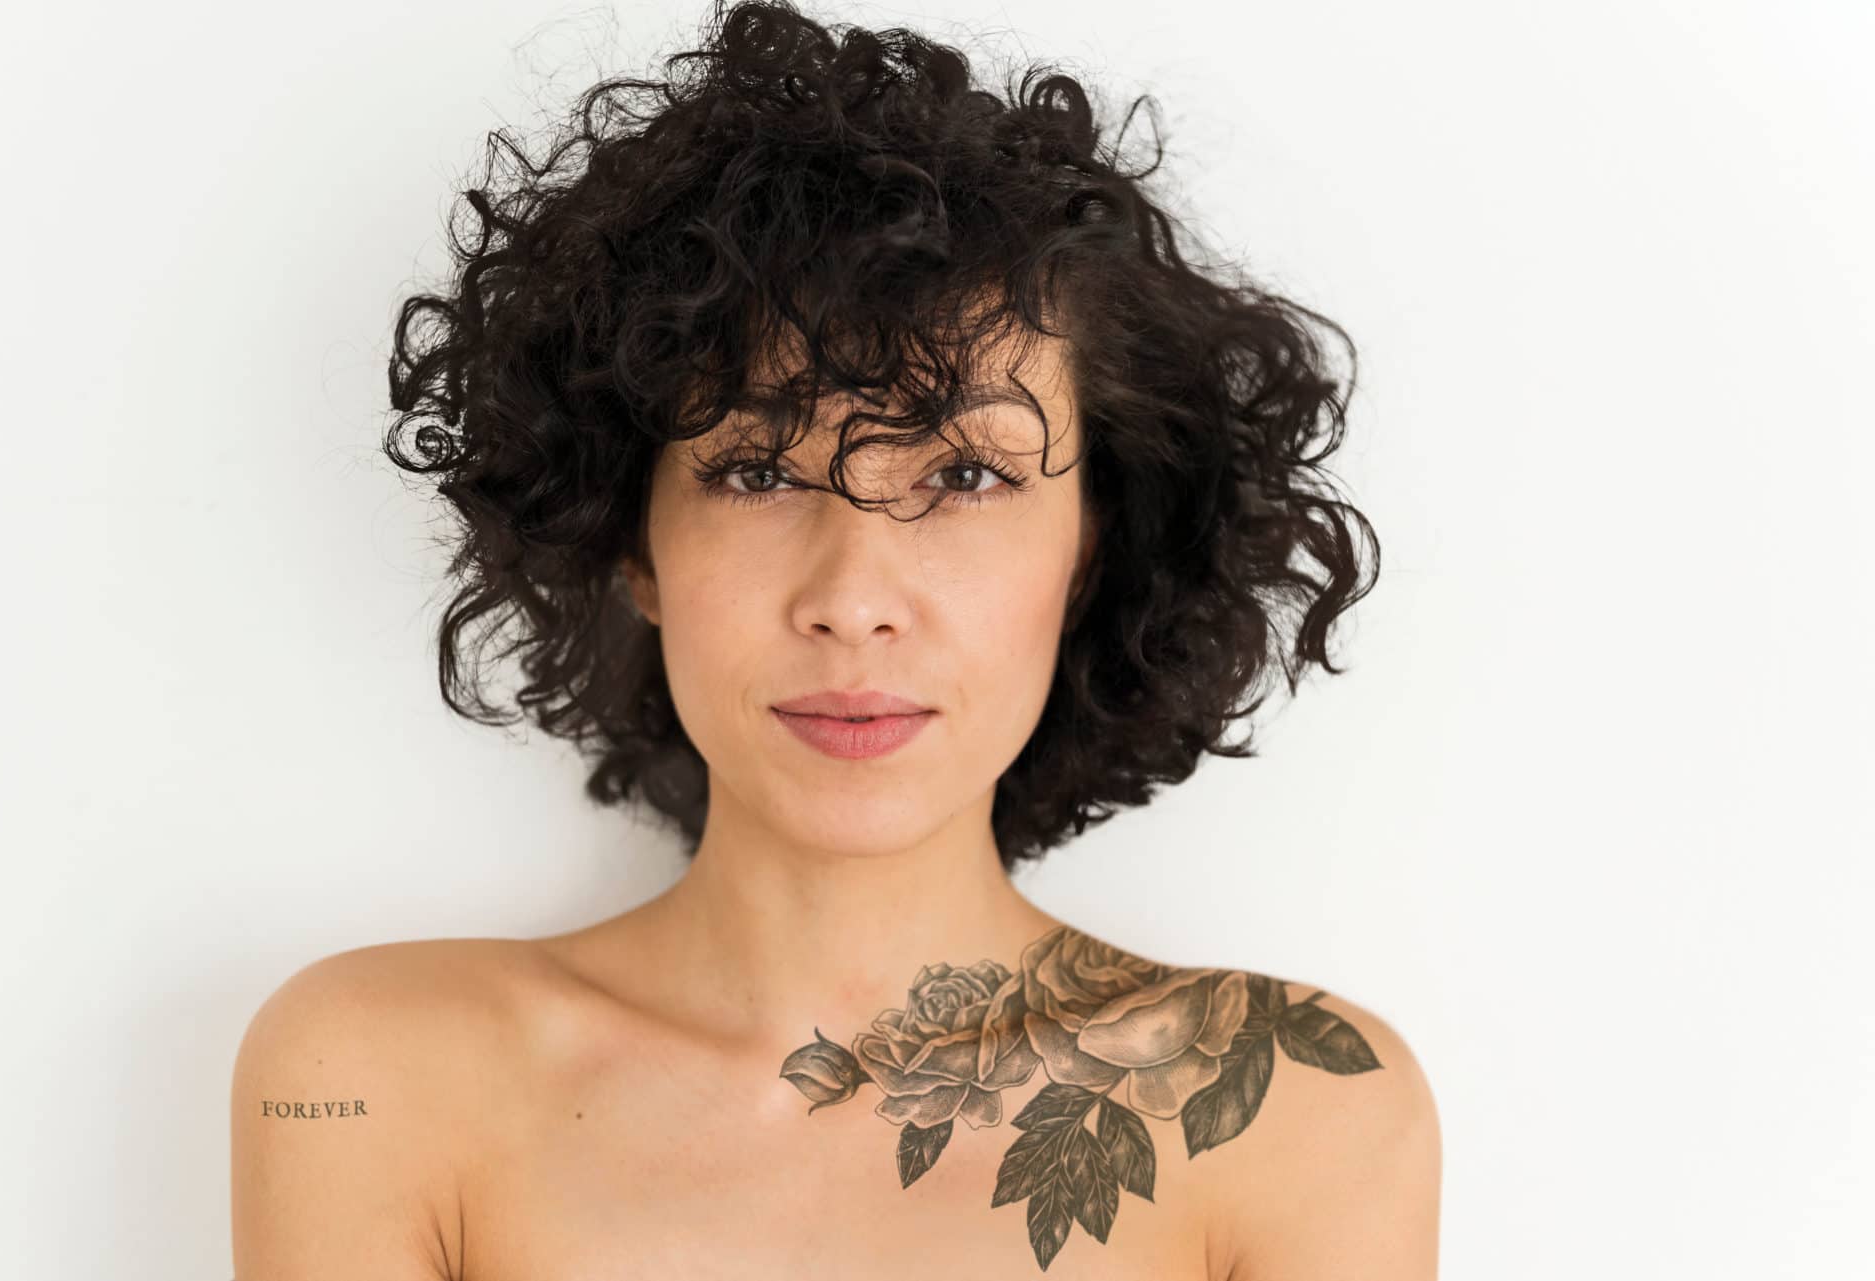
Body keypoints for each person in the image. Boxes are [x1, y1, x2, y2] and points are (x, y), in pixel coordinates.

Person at [230, 1, 1441, 1276]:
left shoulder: (1294, 1113)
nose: (852, 600)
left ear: (1093, 547)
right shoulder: (368, 1077)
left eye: (965, 476)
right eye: (755, 473)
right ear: (631, 541)